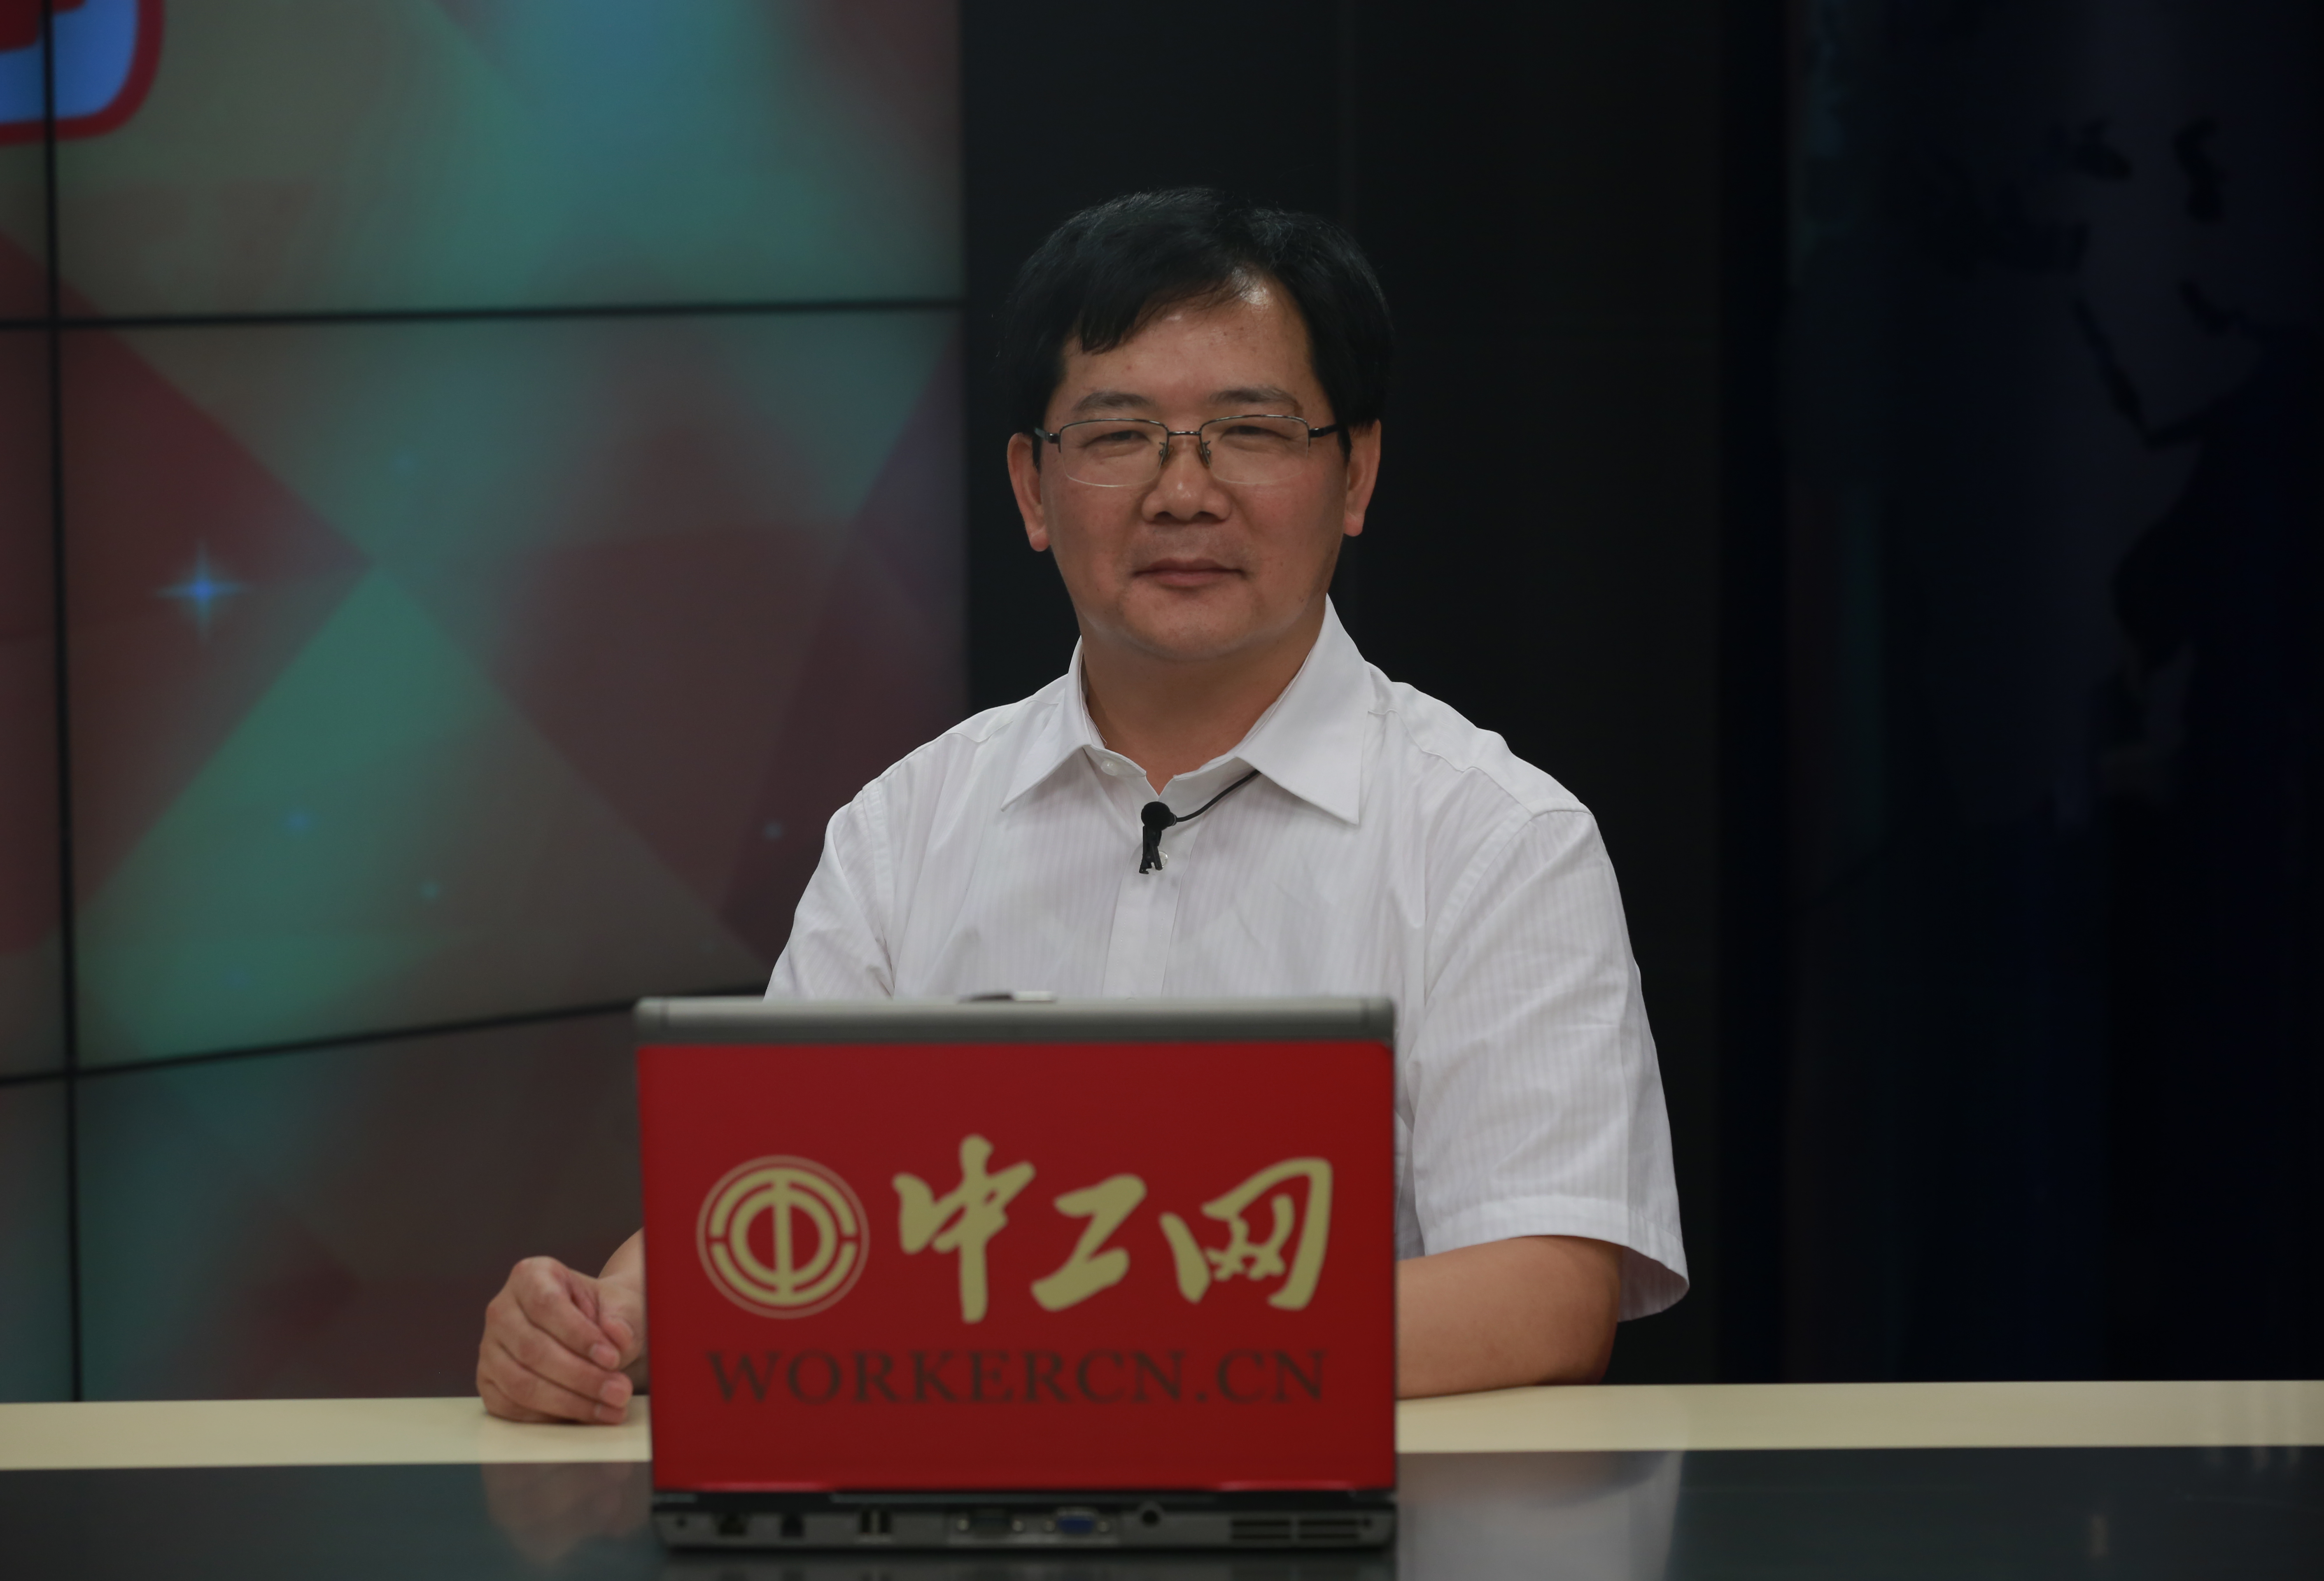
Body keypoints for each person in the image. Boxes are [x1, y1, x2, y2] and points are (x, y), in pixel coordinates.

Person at [478, 189, 1686, 1425]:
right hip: (963, 1507)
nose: (1185, 493)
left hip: (1359, 1507)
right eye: (1119, 435)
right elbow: (772, 1205)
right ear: (1032, 489)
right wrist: (605, 1320)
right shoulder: (905, 830)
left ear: (1356, 472)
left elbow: (1545, 1292)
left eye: (1250, 432)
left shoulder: (1497, 839)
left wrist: (1091, 1339)